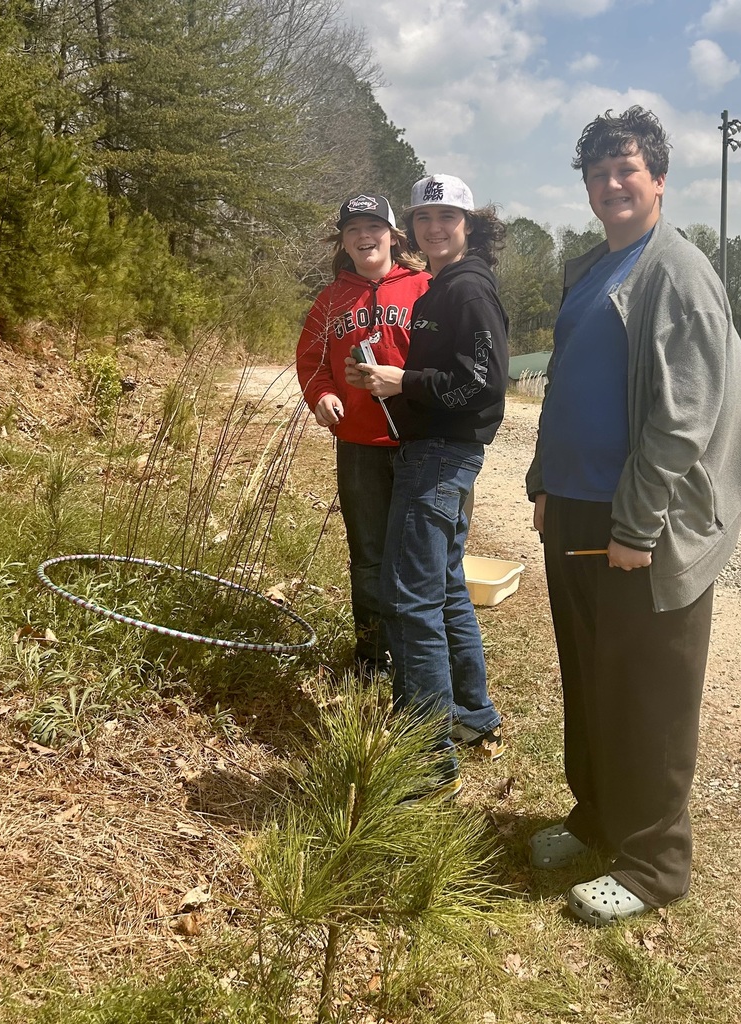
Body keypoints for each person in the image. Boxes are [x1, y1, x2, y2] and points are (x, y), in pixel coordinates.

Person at [525, 107, 741, 924]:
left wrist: (636, 528)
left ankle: (654, 863)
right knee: (592, 678)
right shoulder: (588, 269)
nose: (610, 185)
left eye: (625, 169)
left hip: (640, 526)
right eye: (597, 173)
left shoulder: (679, 273)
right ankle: (597, 819)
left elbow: (683, 419)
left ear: (659, 178)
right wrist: (542, 483)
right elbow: (564, 385)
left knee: (648, 692)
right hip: (573, 509)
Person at [348, 174, 510, 799]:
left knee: (408, 597)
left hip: (440, 455)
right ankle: (472, 717)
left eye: (447, 217)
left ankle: (425, 757)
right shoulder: (445, 284)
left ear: (470, 224)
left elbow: (484, 381)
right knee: (443, 588)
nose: (433, 228)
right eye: (423, 218)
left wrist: (401, 382)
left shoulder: (465, 288)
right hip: (439, 451)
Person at [296, 193, 430, 676]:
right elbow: (311, 360)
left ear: (394, 235)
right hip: (359, 447)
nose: (364, 235)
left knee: (420, 558)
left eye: (374, 226)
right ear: (343, 241)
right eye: (353, 229)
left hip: (421, 446)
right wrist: (322, 397)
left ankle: (422, 658)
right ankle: (373, 655)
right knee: (369, 555)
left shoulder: (424, 287)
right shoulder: (332, 299)